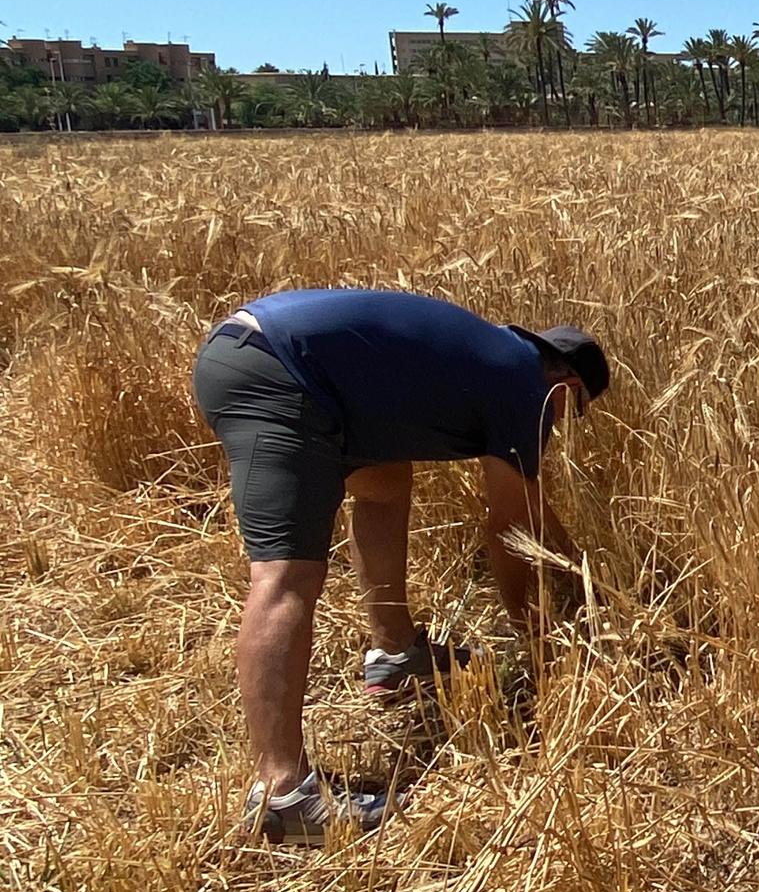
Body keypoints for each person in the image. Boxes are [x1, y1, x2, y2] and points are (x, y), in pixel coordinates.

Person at [191, 288, 610, 845]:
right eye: (569, 411)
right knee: (286, 576)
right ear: (567, 386)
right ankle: (282, 794)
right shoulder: (523, 386)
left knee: (385, 486)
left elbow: (528, 509)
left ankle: (395, 655)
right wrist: (535, 637)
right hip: (279, 373)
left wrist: (577, 565)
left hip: (272, 358)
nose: (559, 422)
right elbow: (512, 533)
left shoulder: (492, 355)